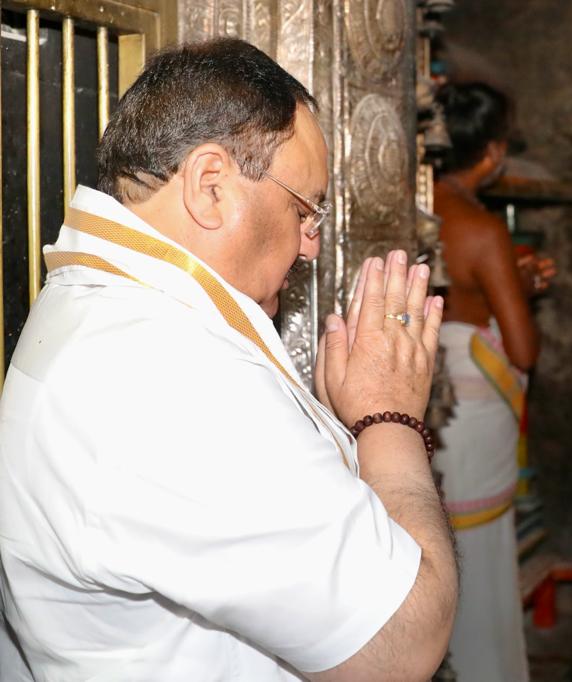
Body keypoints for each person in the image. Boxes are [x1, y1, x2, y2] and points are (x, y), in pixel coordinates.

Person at [0, 38, 457, 681]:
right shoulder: (168, 378)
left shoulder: (111, 311)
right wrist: (389, 420)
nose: (312, 247)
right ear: (211, 186)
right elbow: (402, 643)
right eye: (306, 210)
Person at [431, 82, 554, 682]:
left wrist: (507, 283)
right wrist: (523, 289)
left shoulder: (410, 205)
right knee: (477, 569)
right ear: (492, 152)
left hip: (415, 401)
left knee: (429, 548)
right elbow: (524, 348)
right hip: (471, 419)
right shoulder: (483, 229)